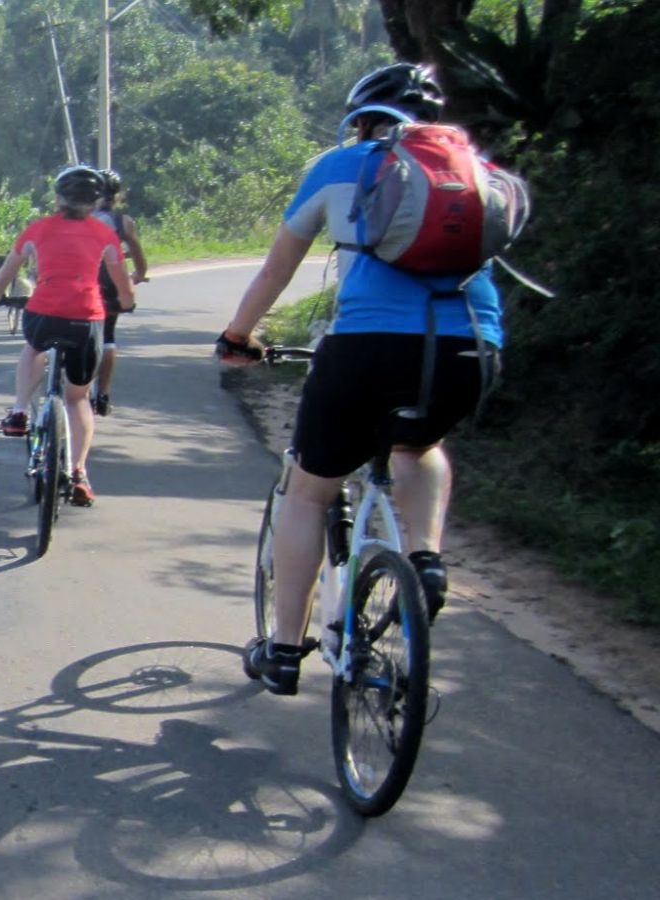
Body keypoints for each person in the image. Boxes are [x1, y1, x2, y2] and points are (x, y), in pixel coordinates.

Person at [217, 63, 497, 695]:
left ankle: (285, 650)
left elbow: (275, 272)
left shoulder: (339, 167)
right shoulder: (475, 173)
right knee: (420, 447)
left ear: (361, 120)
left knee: (310, 491)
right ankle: (424, 561)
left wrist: (238, 336)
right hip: (471, 350)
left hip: (367, 347)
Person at [0, 165, 136, 507]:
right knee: (78, 398)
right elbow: (122, 281)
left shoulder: (38, 229)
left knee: (33, 347)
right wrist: (126, 302)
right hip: (86, 318)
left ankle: (20, 411)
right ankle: (79, 472)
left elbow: (7, 272)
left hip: (44, 313)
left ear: (58, 198)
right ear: (94, 202)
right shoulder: (104, 234)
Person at [91, 169, 149, 416]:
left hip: (78, 281)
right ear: (118, 195)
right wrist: (138, 275)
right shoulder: (123, 222)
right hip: (110, 284)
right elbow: (138, 256)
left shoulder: (78, 218)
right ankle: (102, 394)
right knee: (108, 336)